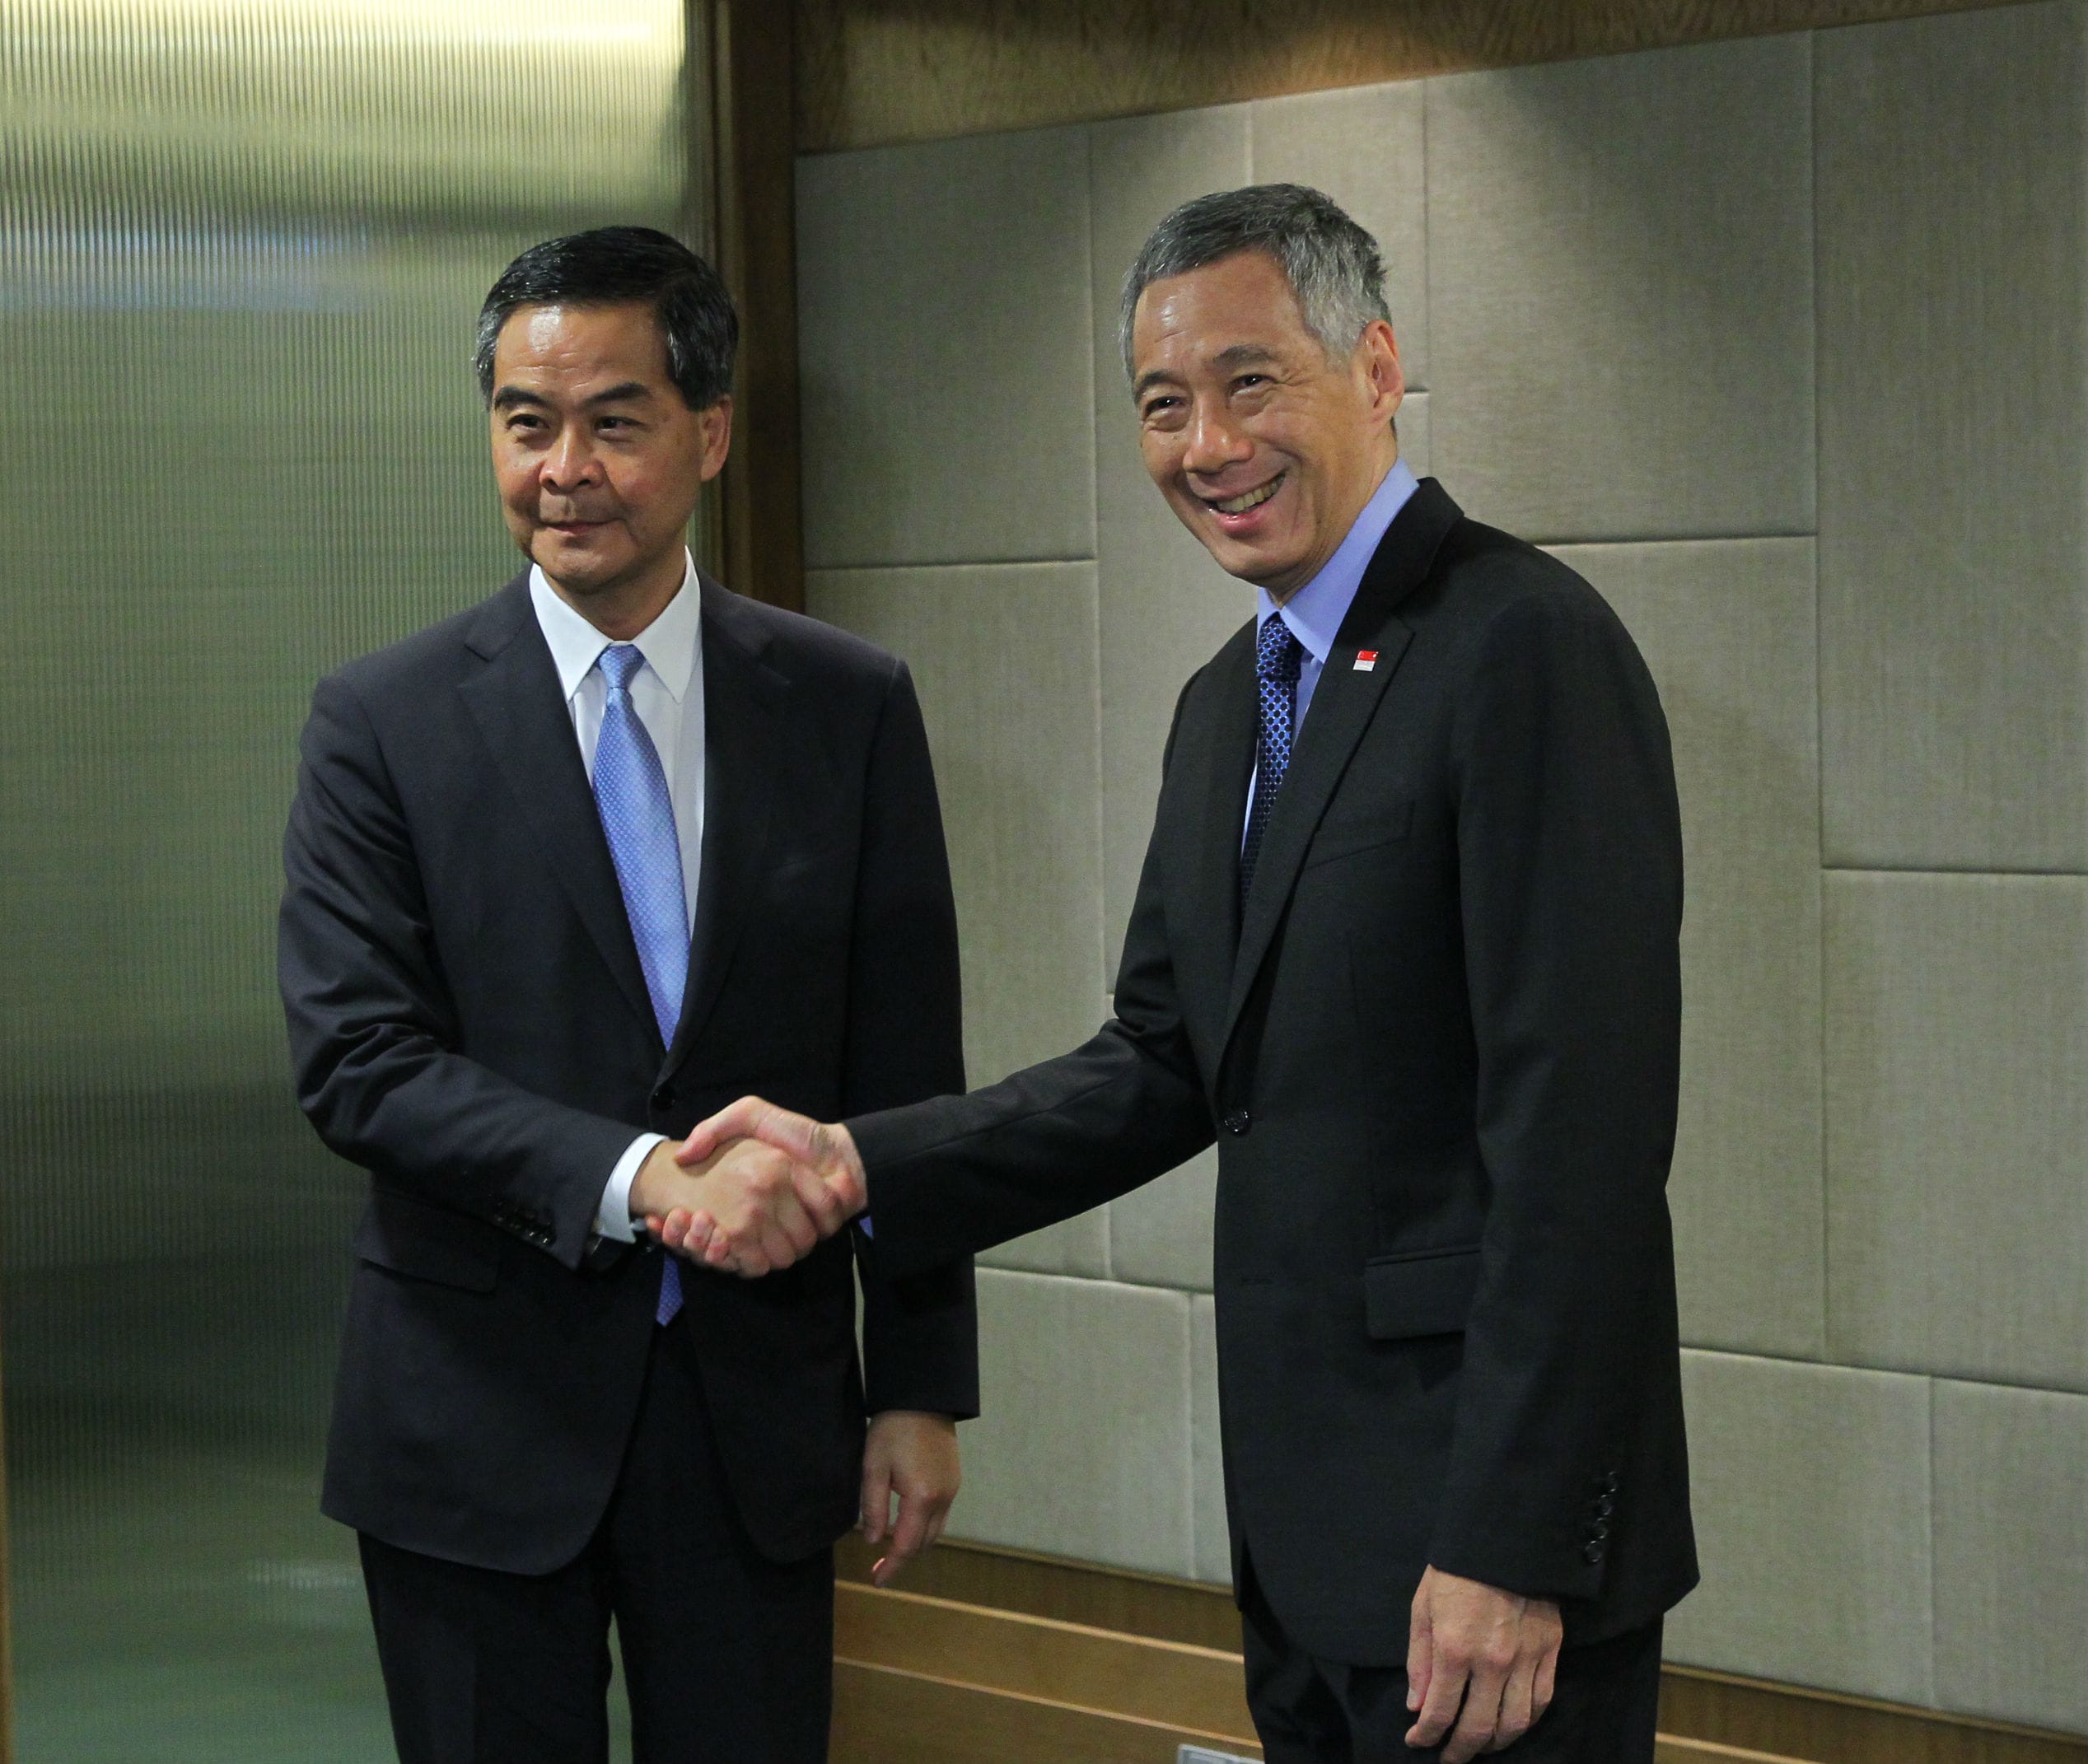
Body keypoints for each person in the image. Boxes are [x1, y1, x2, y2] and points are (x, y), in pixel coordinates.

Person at [659, 185, 1698, 1764]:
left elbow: (1586, 1143)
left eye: (1248, 381)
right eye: (1163, 404)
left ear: (1378, 366)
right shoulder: (1229, 702)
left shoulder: (1521, 646)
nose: (1206, 443)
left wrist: (1513, 1541)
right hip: (1307, 1553)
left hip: (1480, 1562)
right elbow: (1161, 1059)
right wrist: (862, 1159)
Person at [277, 225, 978, 1764]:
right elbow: (360, 1062)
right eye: (528, 425)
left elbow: (908, 1073)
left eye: (615, 420)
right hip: (473, 1425)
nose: (564, 469)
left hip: (754, 1425)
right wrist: (637, 1178)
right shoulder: (380, 723)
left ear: (709, 431)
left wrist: (921, 1386)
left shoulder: (848, 704)